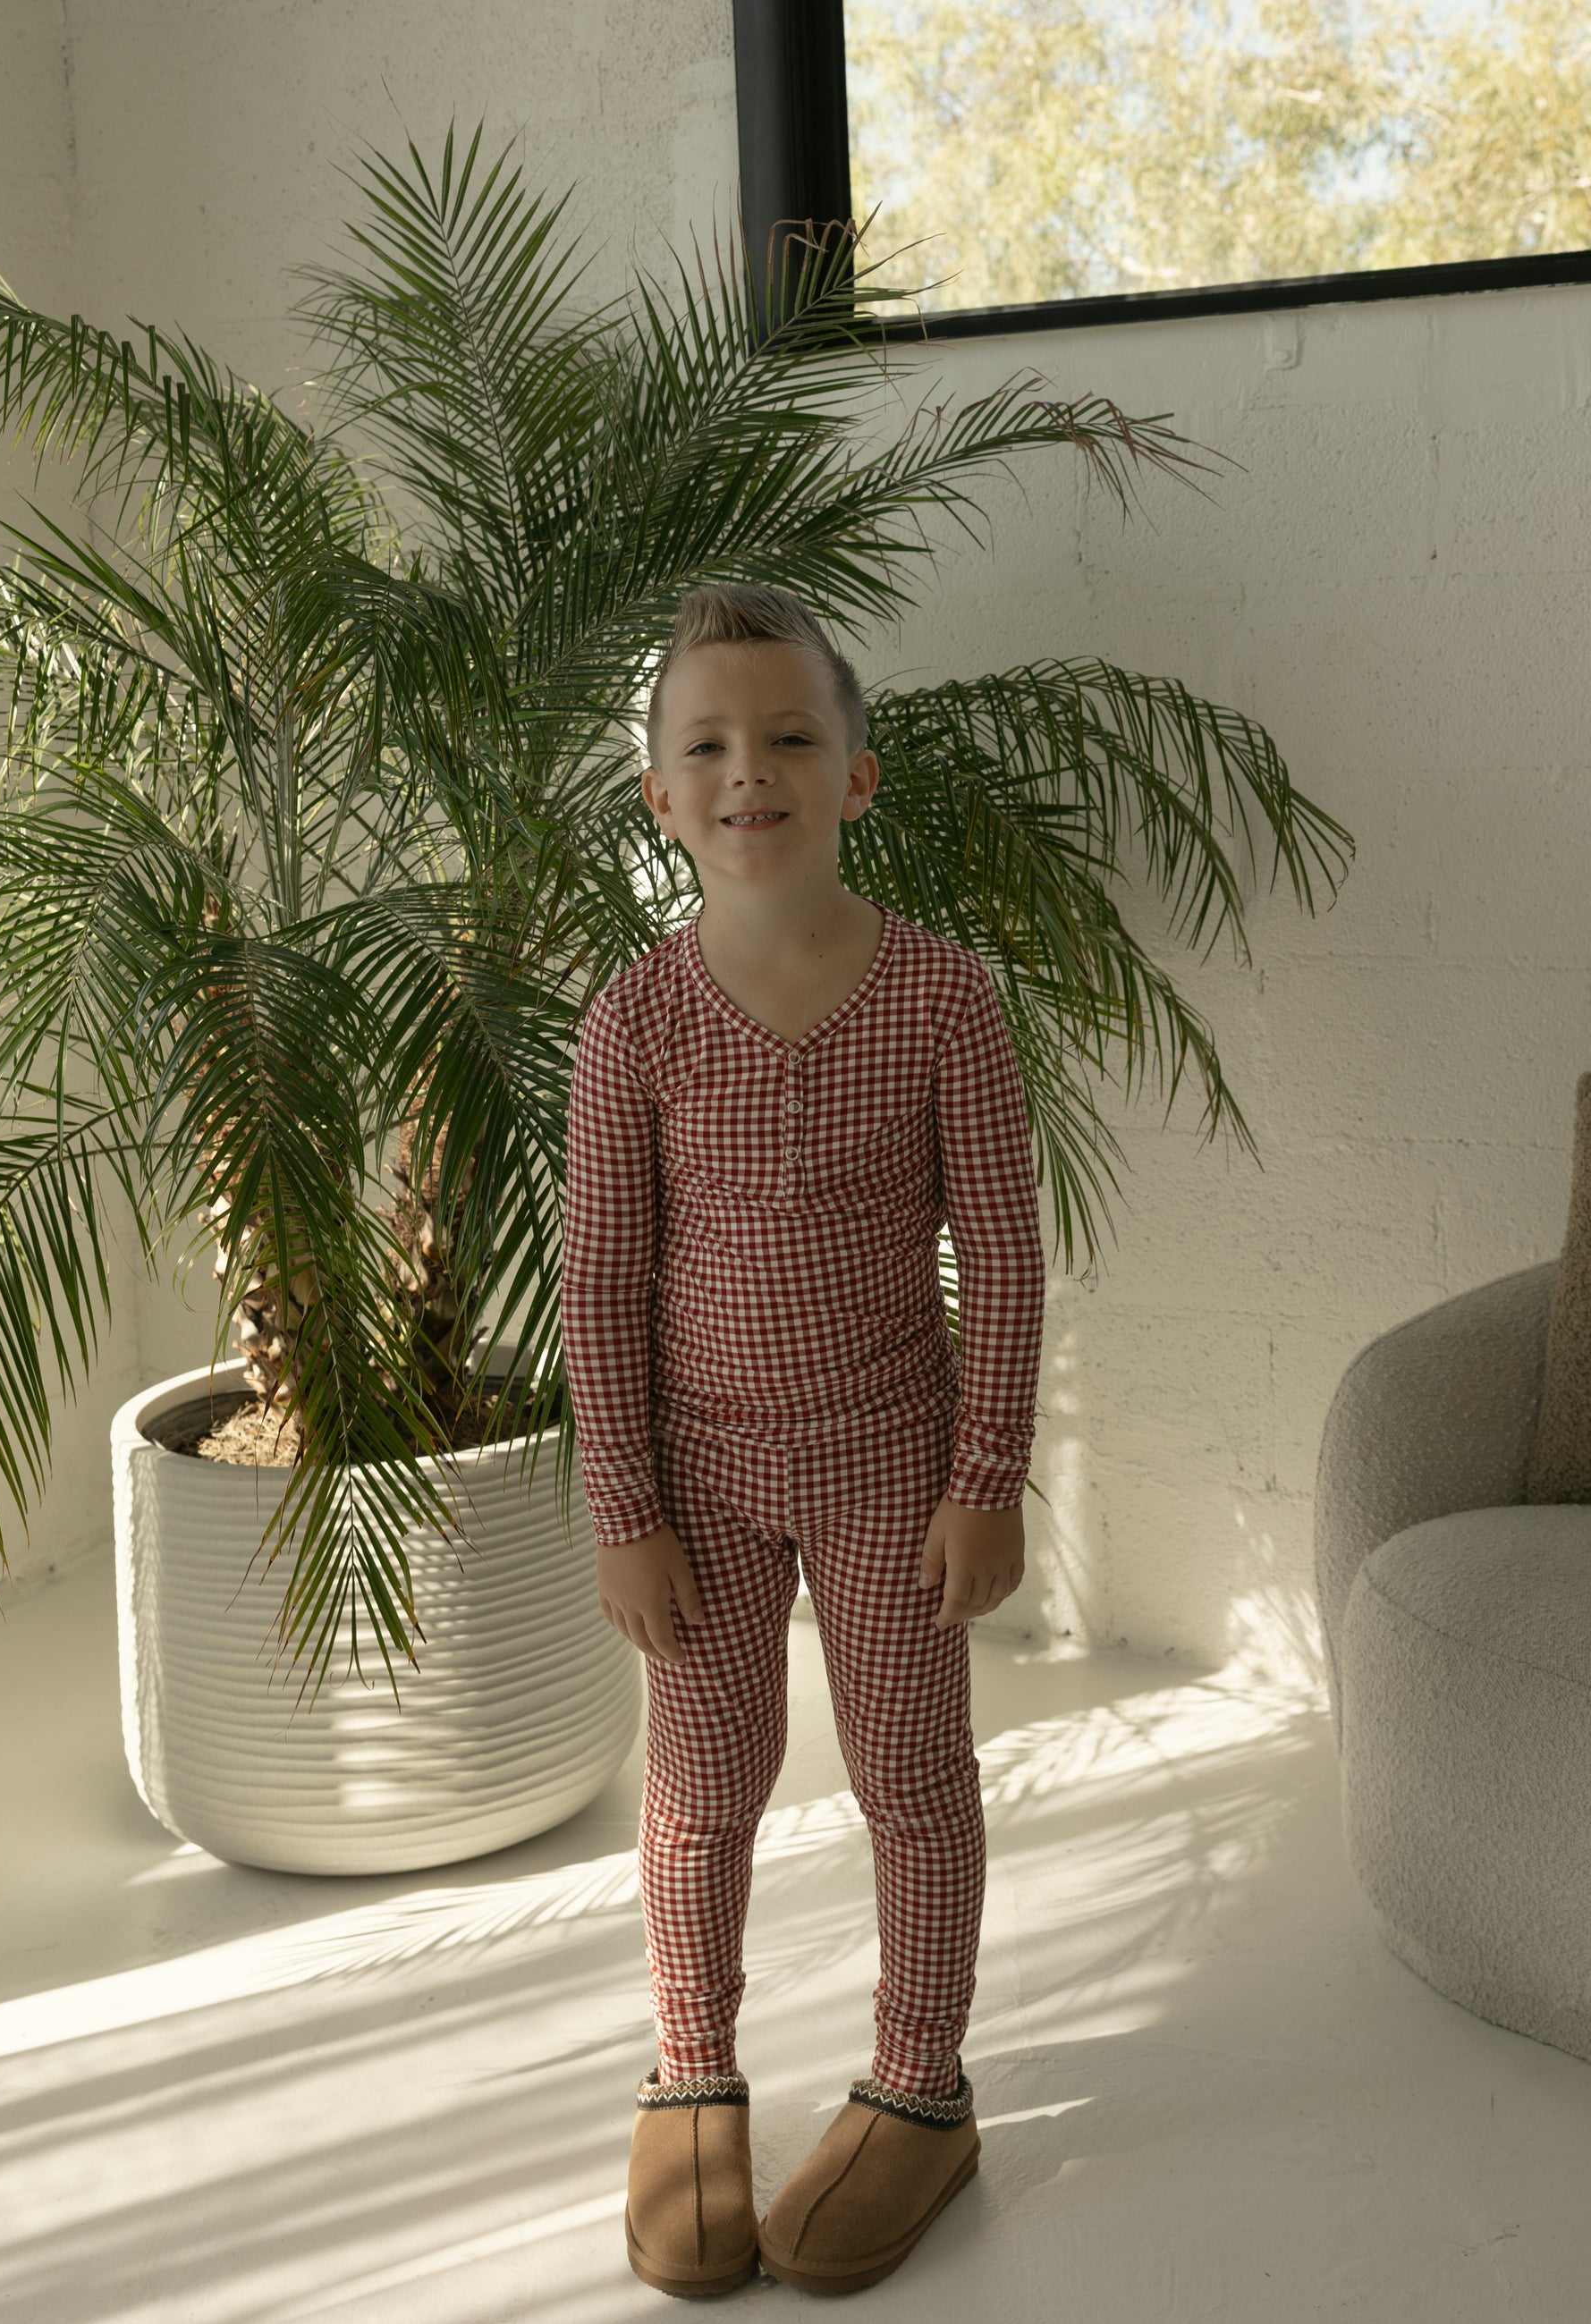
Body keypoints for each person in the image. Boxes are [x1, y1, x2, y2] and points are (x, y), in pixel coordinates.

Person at [560, 581, 1046, 2297]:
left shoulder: (939, 997)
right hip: (695, 1479)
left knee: (912, 1780)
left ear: (852, 775)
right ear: (660, 797)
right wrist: (625, 1505)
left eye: (787, 736)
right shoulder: (633, 1018)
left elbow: (1000, 1248)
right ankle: (691, 2066)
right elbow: (601, 1271)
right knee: (702, 1791)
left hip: (895, 1467)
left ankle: (922, 2086)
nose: (746, 767)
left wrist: (987, 1479)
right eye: (706, 744)